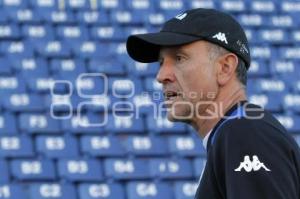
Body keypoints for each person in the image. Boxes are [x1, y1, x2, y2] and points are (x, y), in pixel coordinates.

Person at [126, 8, 300, 199]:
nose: (161, 76)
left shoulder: (243, 132)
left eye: (179, 58)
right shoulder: (236, 132)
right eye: (161, 62)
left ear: (224, 68)